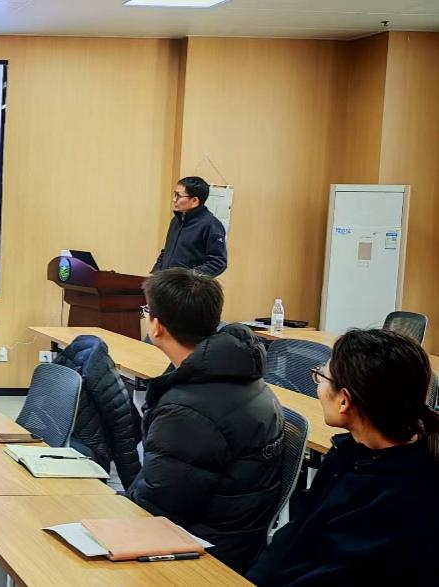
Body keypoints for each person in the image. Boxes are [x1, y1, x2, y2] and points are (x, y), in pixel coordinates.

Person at [248, 329, 439, 586]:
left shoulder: (408, 497)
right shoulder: (348, 452)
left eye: (322, 377)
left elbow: (336, 574)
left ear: (344, 401)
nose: (318, 385)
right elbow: (294, 534)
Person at [126, 268, 282, 573]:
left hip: (201, 553)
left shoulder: (189, 412)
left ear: (156, 327)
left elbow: (156, 508)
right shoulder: (235, 372)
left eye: (146, 310)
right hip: (233, 540)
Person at [152, 176, 227, 276]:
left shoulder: (211, 225)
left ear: (195, 200)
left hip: (188, 285)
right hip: (166, 283)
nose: (174, 199)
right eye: (174, 194)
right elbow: (166, 251)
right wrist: (155, 275)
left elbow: (218, 262)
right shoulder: (176, 220)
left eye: (178, 196)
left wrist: (188, 277)